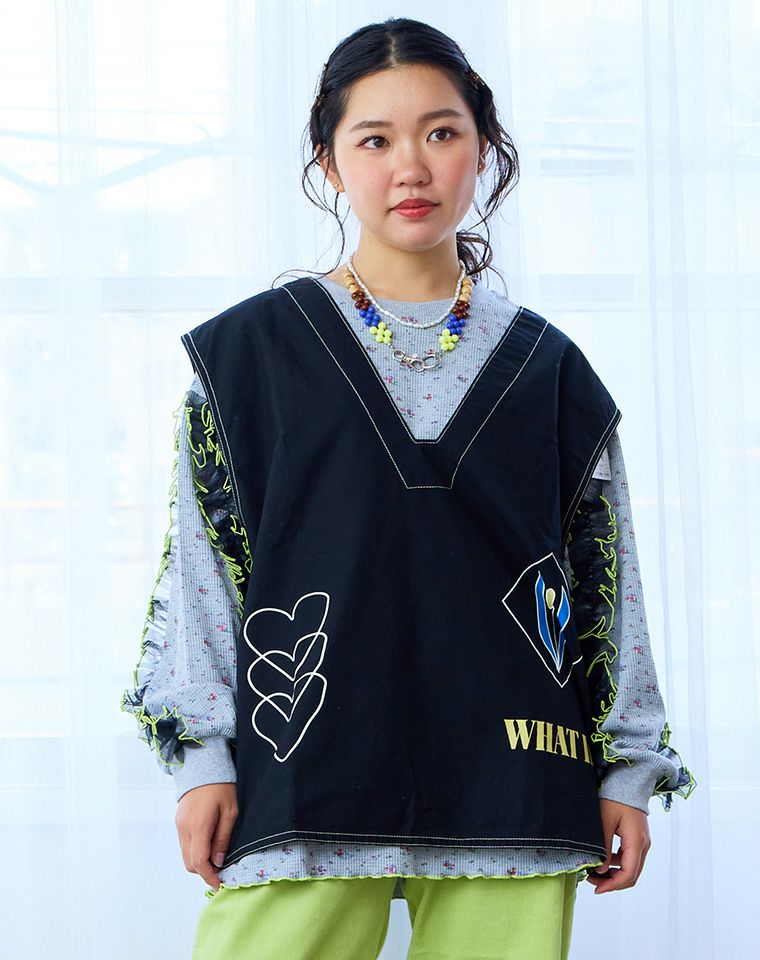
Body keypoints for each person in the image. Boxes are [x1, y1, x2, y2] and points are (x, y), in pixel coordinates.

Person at [120, 16, 696, 960]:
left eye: (440, 132)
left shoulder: (549, 369)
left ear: (484, 148)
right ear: (330, 160)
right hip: (305, 765)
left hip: (515, 775)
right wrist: (200, 759)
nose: (411, 167)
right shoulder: (249, 357)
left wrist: (627, 767)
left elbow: (604, 581)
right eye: (375, 140)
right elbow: (202, 571)